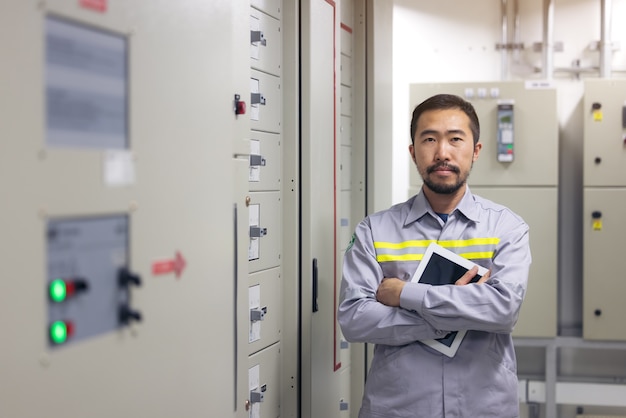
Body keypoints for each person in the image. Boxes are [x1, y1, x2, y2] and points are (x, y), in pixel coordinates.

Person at [337, 93, 531, 418]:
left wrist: (405, 294)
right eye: (429, 139)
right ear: (413, 152)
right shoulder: (375, 230)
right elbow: (355, 321)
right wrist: (460, 314)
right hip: (399, 408)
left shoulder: (506, 228)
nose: (442, 153)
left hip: (484, 407)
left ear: (476, 150)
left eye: (456, 139)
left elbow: (503, 311)